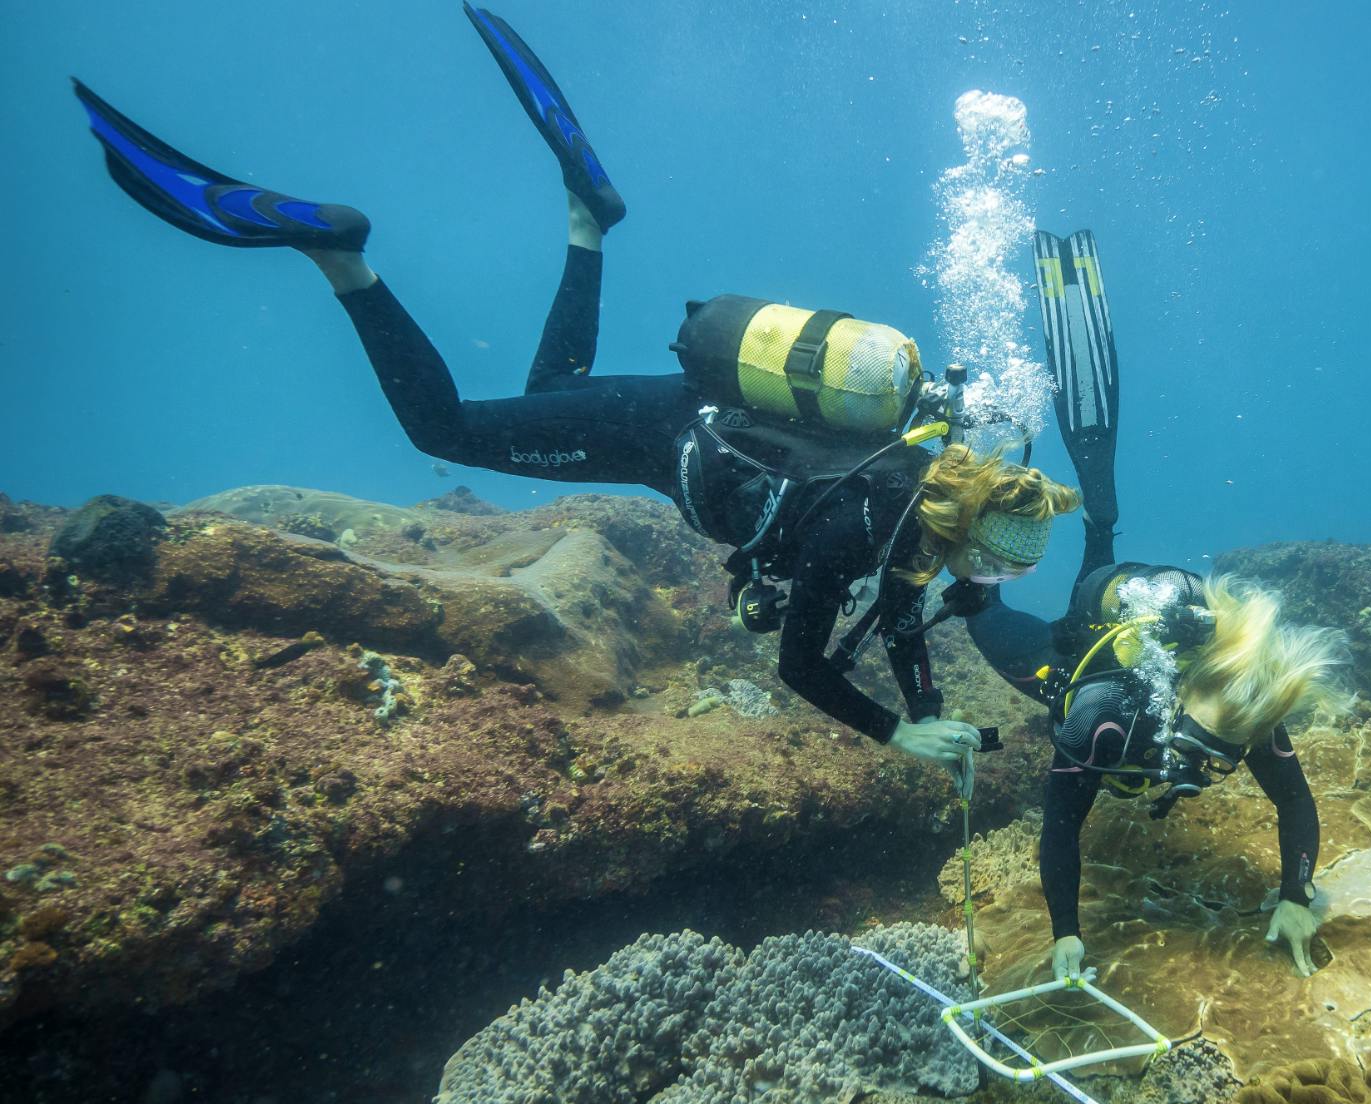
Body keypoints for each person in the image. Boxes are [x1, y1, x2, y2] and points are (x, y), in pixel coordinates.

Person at [71, 6, 1079, 789]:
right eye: (1000, 562)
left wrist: (930, 708)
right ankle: (340, 252)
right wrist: (899, 734)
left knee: (549, 390)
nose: (991, 579)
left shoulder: (918, 484)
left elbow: (901, 619)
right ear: (977, 531)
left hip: (678, 422)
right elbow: (802, 671)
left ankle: (587, 220)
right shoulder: (859, 533)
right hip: (650, 435)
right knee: (447, 428)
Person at [967, 229, 1349, 980]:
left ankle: (1100, 525)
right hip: (1087, 633)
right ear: (1175, 700)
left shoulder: (1243, 710)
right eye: (1201, 754)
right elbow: (1061, 828)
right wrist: (1067, 930)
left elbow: (1295, 802)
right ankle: (1023, 512)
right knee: (979, 612)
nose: (1203, 774)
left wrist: (1295, 892)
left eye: (1219, 762)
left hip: (1141, 611)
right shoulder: (1099, 715)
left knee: (1101, 558)